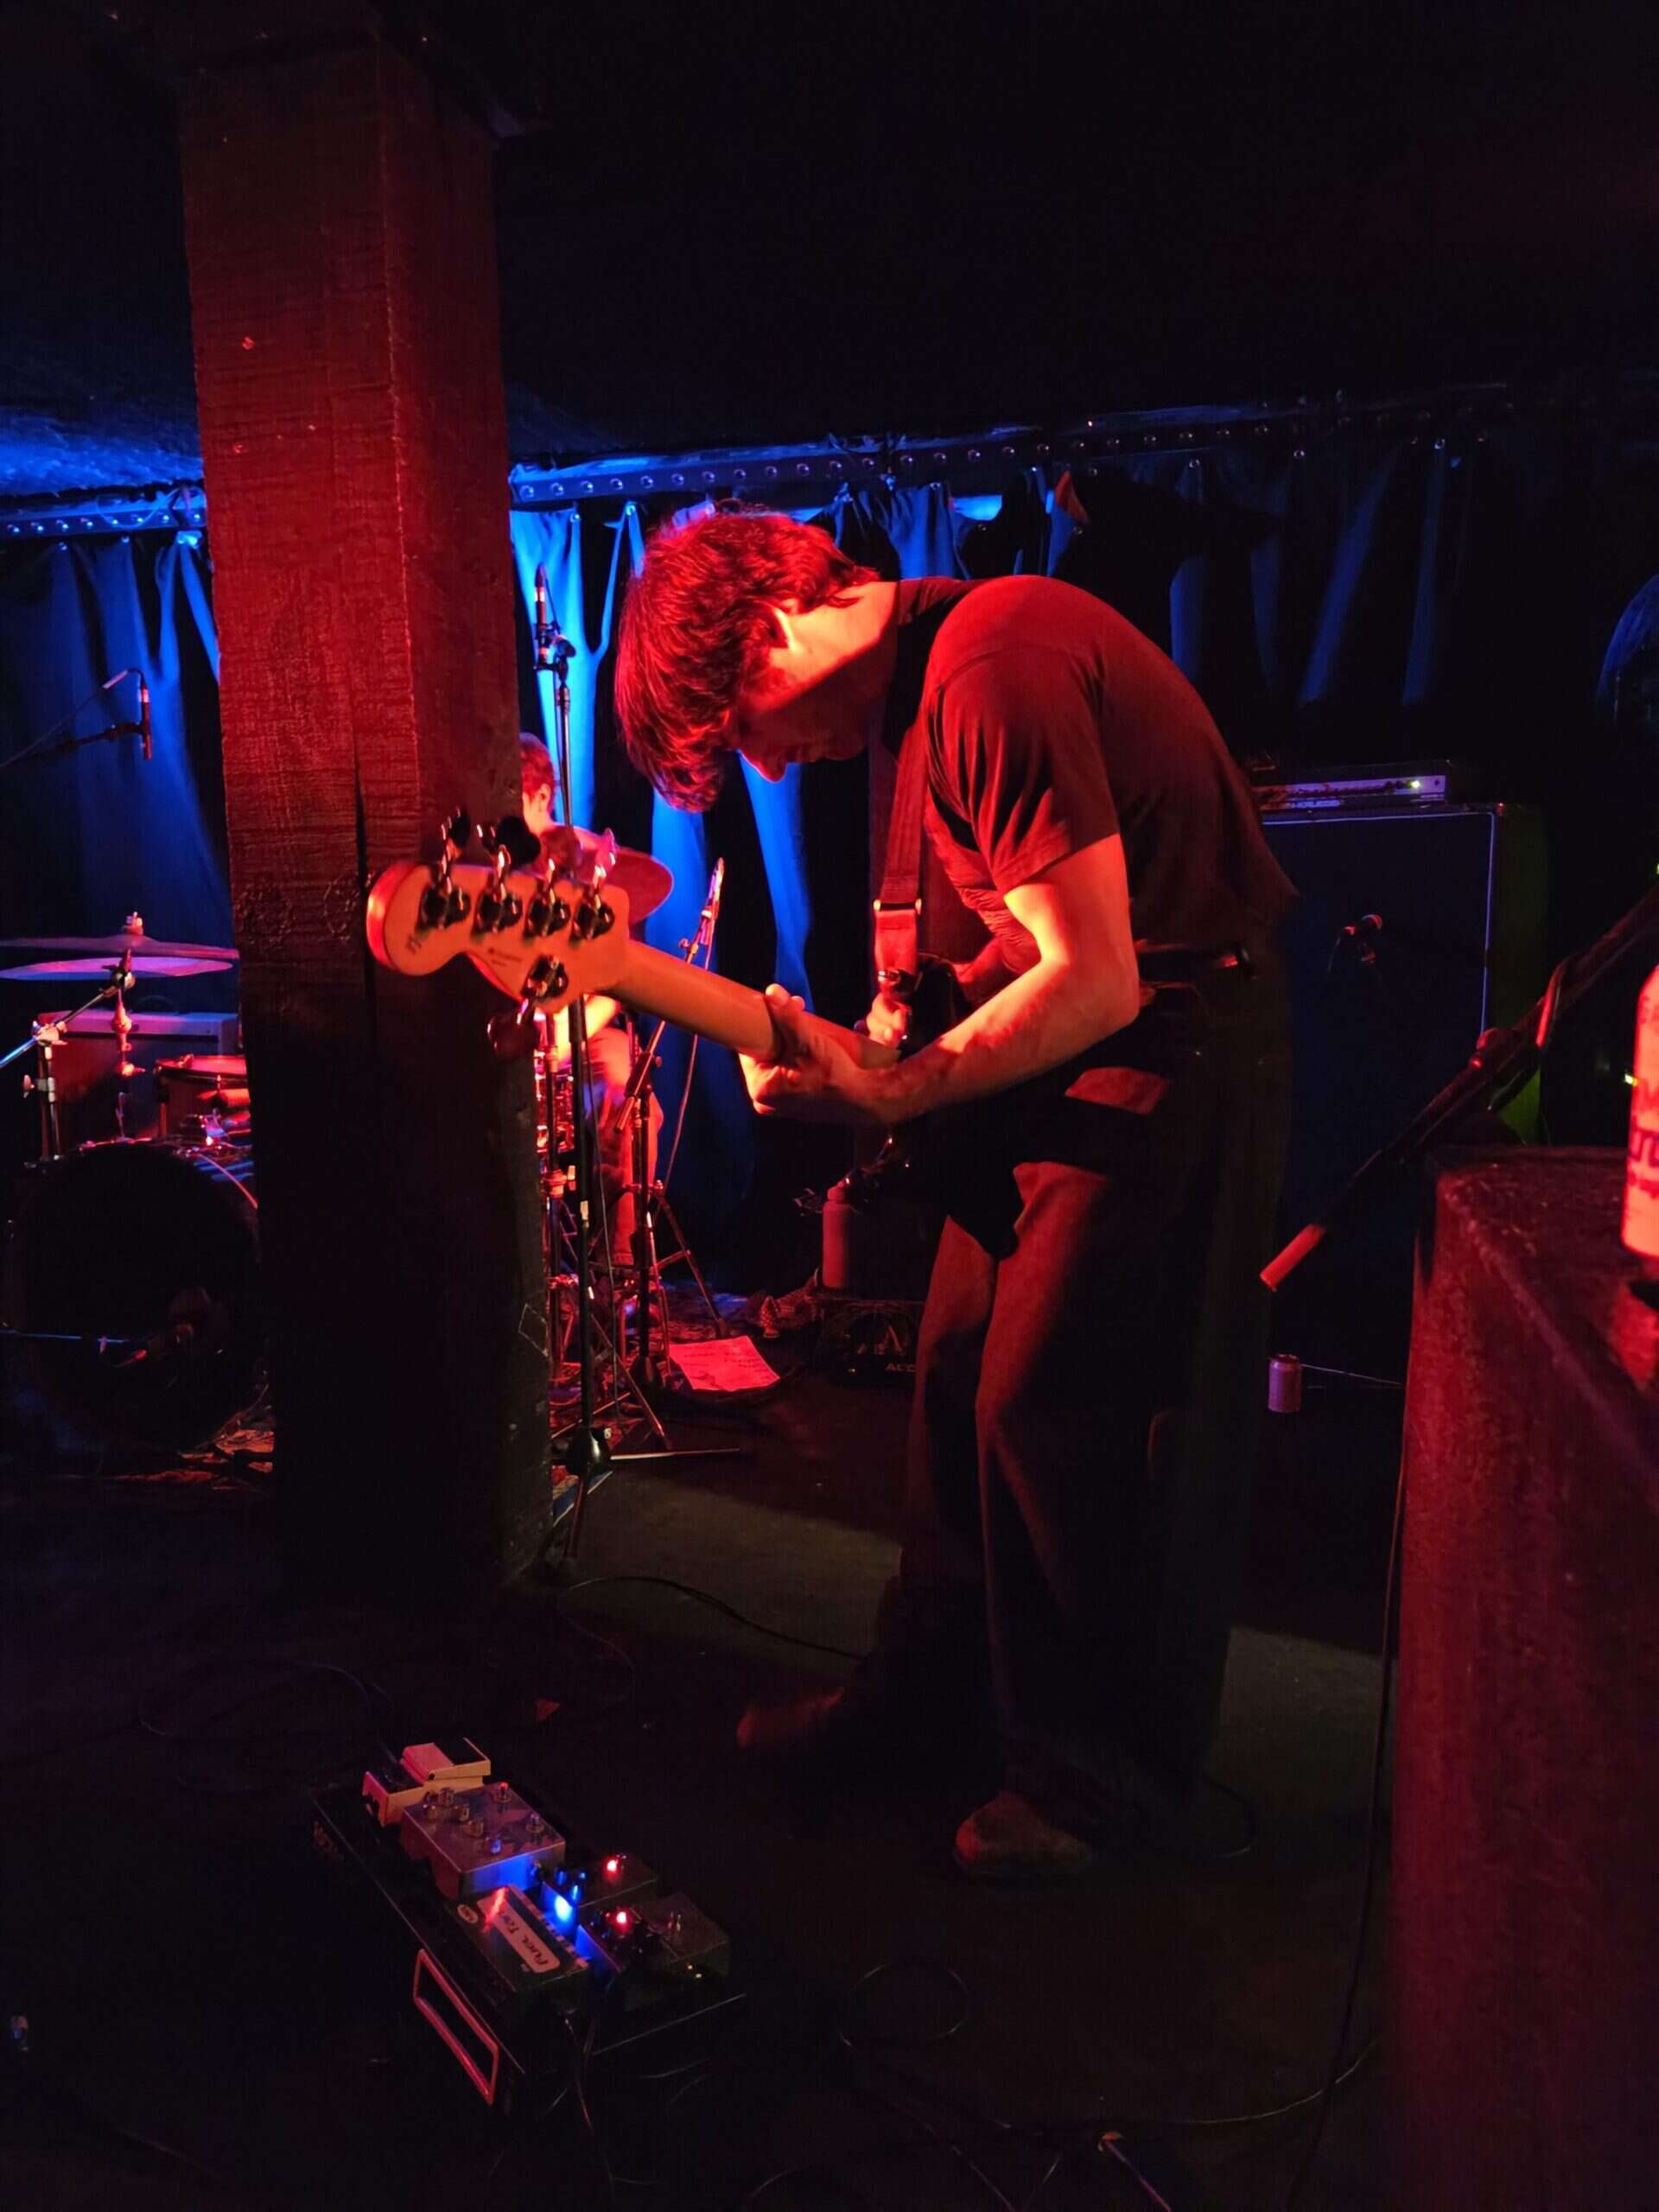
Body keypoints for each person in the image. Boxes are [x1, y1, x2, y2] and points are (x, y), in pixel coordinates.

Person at [613, 513, 1295, 1881]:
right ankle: (930, 1710)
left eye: (740, 728)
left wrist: (900, 1090)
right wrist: (895, 1030)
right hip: (1107, 1050)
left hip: (1172, 1049)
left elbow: (1099, 971)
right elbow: (1027, 943)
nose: (765, 764)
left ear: (770, 631)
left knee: (1065, 1405)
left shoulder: (994, 666)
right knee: (961, 1375)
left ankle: (1101, 1785)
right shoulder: (935, 693)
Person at [519, 734, 658, 1270]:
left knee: (626, 1095)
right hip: (509, 1030)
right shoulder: (490, 867)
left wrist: (564, 1036)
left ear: (541, 797)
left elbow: (612, 986)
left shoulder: (587, 867)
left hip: (582, 1027)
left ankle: (619, 1266)